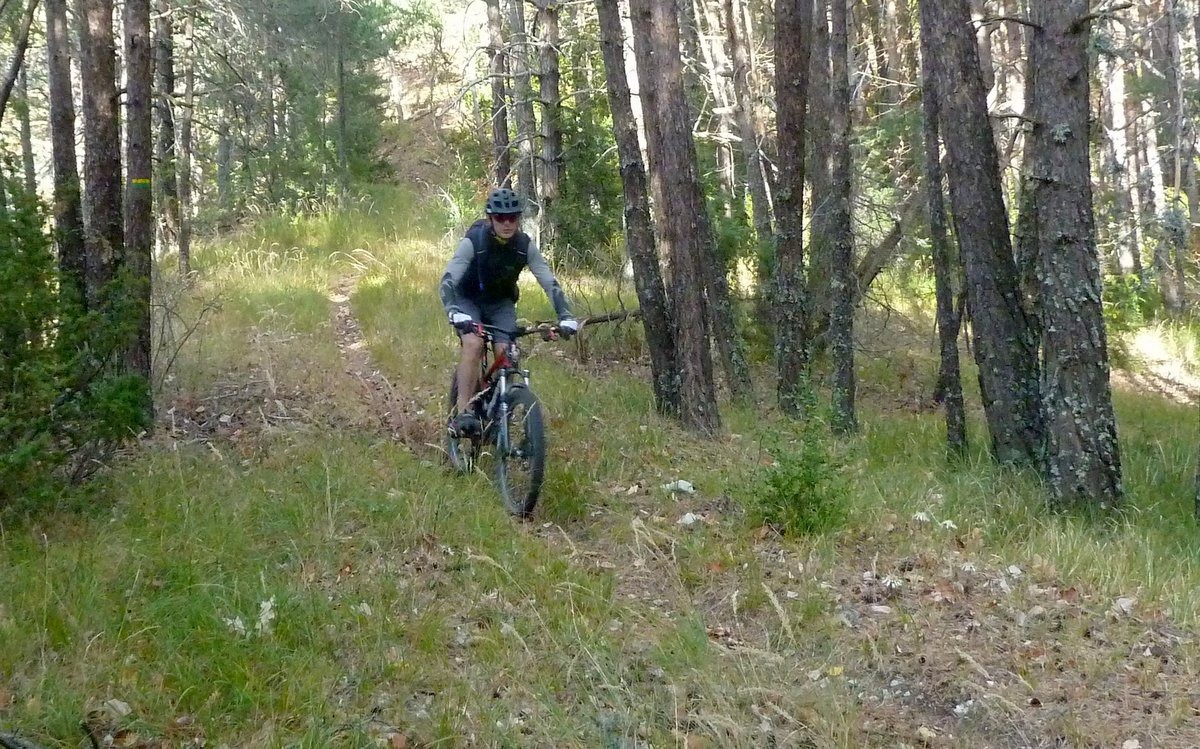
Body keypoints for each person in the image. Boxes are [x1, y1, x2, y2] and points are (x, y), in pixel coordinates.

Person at [439, 187, 578, 437]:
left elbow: (549, 281)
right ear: (490, 218)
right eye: (500, 218)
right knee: (474, 344)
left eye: (512, 217)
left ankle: (502, 410)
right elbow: (448, 279)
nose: (507, 223)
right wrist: (453, 311)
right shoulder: (475, 241)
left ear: (518, 219)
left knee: (507, 355)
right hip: (467, 299)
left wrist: (565, 315)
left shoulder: (524, 246)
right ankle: (462, 413)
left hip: (500, 303)